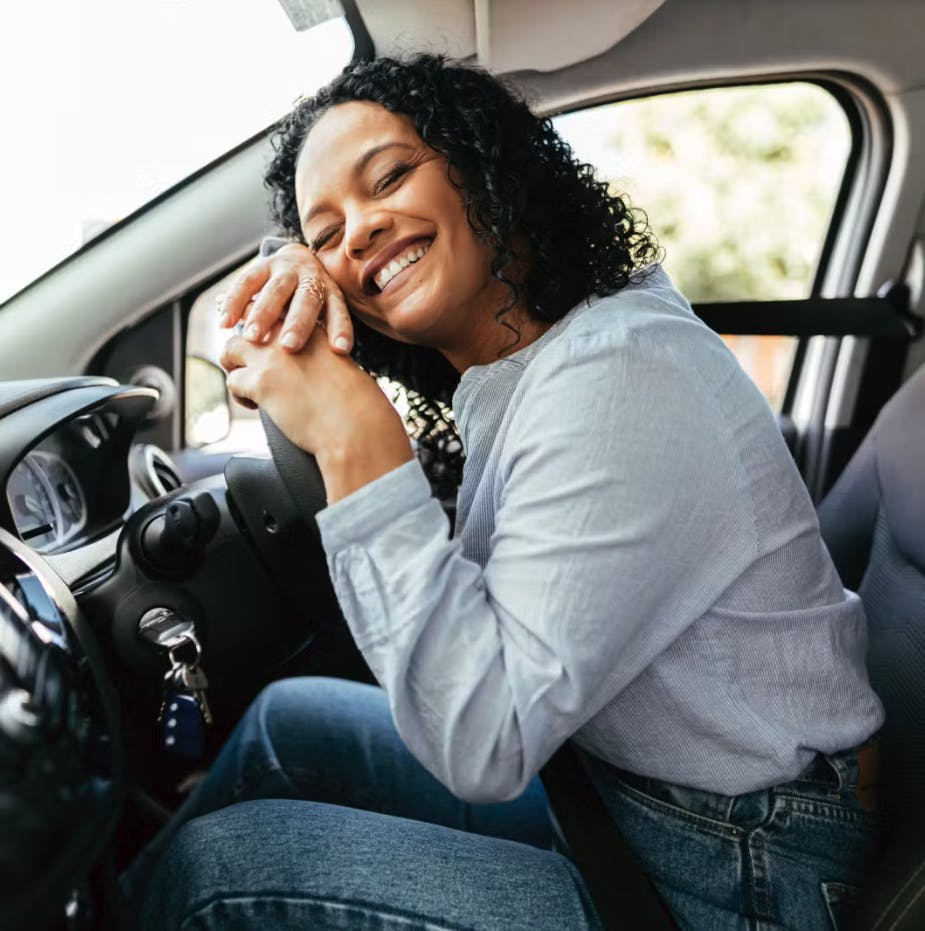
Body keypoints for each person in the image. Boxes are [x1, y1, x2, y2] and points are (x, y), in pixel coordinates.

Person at [135, 54, 884, 930]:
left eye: (389, 178)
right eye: (327, 234)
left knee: (219, 869)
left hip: (743, 856)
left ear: (487, 164)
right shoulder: (530, 358)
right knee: (286, 720)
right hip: (619, 789)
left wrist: (352, 436)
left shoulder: (618, 375)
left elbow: (484, 743)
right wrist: (291, 265)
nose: (361, 234)